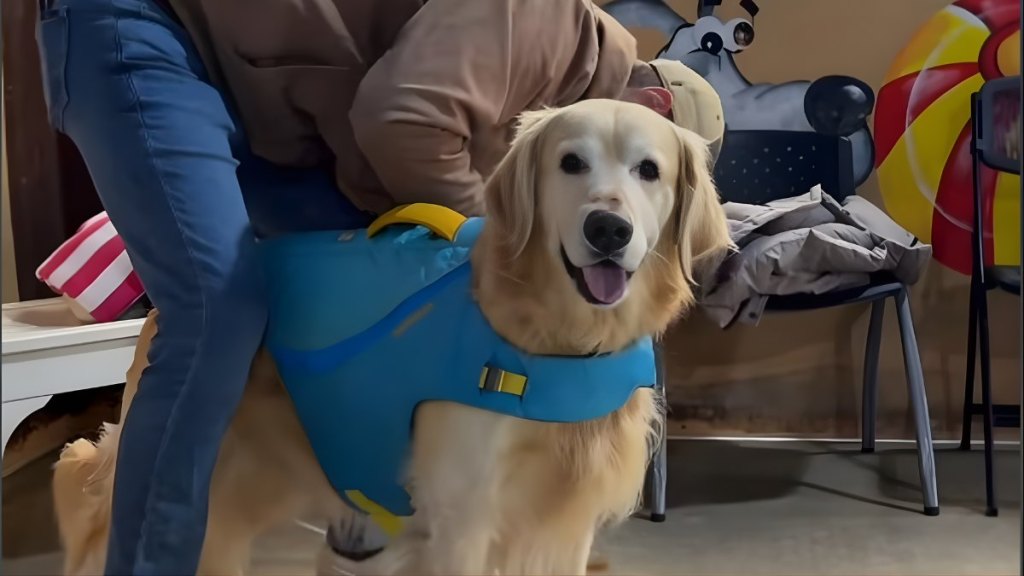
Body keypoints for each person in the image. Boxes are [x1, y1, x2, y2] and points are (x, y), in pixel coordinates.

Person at [34, 0, 723, 573]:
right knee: (218, 309)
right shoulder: (544, 18)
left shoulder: (549, 88)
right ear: (653, 101)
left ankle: (364, 542)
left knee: (364, 312)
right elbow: (402, 123)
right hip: (141, 22)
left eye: (651, 178)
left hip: (266, 80)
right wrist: (501, 247)